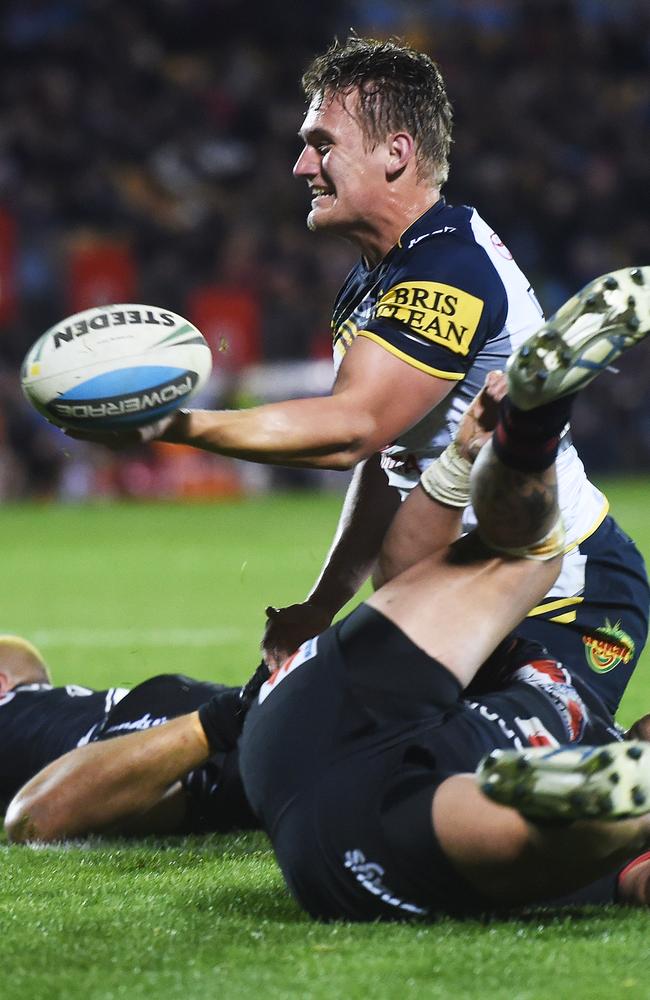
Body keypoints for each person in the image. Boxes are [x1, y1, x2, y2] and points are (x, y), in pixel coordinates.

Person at [10, 277, 650, 918]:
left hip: (319, 774)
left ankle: (518, 436)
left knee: (474, 816)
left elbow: (35, 817)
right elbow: (408, 580)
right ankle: (515, 435)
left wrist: (233, 714)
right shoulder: (568, 698)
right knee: (518, 570)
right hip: (351, 751)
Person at [74, 37, 648, 717]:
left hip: (563, 597)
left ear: (396, 153)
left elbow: (351, 428)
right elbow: (383, 456)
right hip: (459, 588)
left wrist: (172, 422)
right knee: (305, 747)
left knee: (492, 792)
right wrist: (322, 604)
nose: (300, 166)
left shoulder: (450, 269)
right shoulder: (375, 280)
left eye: (321, 143)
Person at [0, 635, 255, 834]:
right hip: (165, 714)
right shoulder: (58, 709)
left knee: (33, 819)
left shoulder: (14, 711)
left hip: (136, 735)